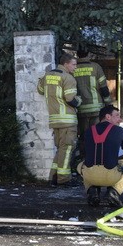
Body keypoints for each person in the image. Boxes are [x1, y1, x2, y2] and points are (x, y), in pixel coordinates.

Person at [79, 104, 123, 208]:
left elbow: (87, 154)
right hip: (111, 177)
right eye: (117, 116)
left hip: (90, 176)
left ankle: (92, 190)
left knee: (81, 165)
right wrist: (119, 159)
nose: (120, 120)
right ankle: (114, 191)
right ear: (108, 117)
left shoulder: (88, 131)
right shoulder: (119, 131)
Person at [37, 52, 81, 186]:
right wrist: (79, 101)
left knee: (61, 149)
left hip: (54, 120)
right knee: (67, 149)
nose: (75, 67)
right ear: (65, 64)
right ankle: (64, 179)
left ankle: (53, 177)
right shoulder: (68, 78)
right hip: (67, 121)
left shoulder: (47, 76)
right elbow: (71, 99)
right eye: (73, 64)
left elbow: (39, 90)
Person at [74, 48, 113, 148]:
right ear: (89, 54)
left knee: (84, 136)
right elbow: (104, 88)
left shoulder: (72, 68)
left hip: (80, 109)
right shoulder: (96, 67)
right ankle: (97, 158)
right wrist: (109, 104)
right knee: (97, 134)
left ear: (77, 55)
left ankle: (84, 158)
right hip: (96, 109)